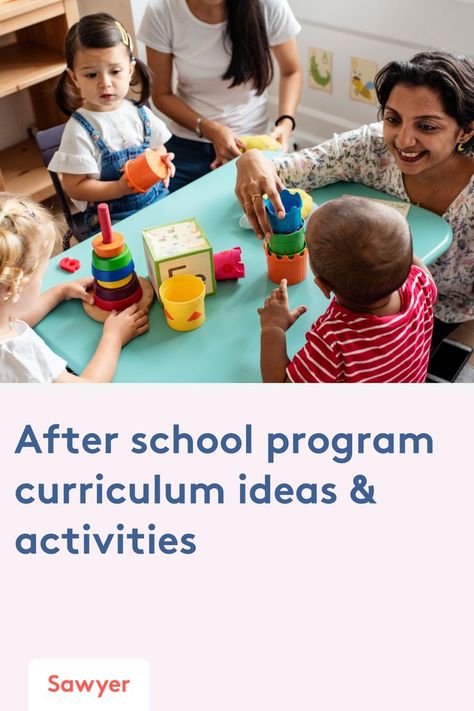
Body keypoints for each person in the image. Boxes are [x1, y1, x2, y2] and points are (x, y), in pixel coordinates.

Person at [236, 50, 474, 351]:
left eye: (426, 126)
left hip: (445, 310)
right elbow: (288, 169)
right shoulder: (370, 148)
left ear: (466, 130)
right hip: (359, 297)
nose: (403, 140)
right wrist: (252, 159)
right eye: (393, 119)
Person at [258, 197, 437, 383]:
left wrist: (273, 328)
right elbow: (414, 267)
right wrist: (392, 247)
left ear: (324, 287)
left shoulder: (334, 341)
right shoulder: (420, 284)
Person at [138, 0, 302, 191]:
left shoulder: (269, 5)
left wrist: (286, 122)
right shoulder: (162, 10)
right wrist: (208, 128)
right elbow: (162, 94)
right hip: (188, 141)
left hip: (251, 143)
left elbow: (292, 72)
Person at [0, 193, 148, 383]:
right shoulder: (19, 357)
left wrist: (59, 292)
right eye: (41, 276)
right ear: (13, 288)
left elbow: (14, 318)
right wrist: (114, 337)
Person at [49, 13, 174, 232]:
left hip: (158, 202)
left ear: (131, 70)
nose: (105, 84)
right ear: (74, 77)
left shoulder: (140, 114)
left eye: (115, 71)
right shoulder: (79, 130)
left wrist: (162, 162)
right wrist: (119, 188)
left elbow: (157, 147)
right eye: (91, 75)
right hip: (112, 220)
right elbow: (75, 188)